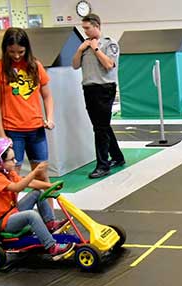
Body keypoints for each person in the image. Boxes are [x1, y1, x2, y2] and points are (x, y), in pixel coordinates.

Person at [0, 27, 54, 208]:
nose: (16, 56)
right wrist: (1, 136)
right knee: (12, 178)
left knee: (42, 175)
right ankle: (10, 218)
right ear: (5, 48)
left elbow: (47, 95)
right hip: (12, 132)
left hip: (36, 130)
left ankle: (50, 221)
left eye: (21, 52)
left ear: (27, 49)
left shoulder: (35, 65)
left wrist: (50, 117)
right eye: (12, 51)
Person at [0, 137, 74, 261]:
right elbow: (17, 187)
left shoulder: (9, 173)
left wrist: (49, 186)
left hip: (11, 212)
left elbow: (30, 183)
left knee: (37, 193)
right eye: (11, 159)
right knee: (31, 215)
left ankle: (50, 224)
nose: (15, 161)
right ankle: (52, 247)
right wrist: (34, 172)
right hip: (2, 223)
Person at [72, 13, 125, 179]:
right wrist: (81, 49)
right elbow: (75, 65)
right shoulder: (84, 45)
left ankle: (103, 165)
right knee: (101, 125)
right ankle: (117, 157)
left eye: (87, 28)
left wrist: (95, 48)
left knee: (100, 128)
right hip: (89, 89)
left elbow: (109, 65)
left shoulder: (109, 43)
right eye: (84, 28)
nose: (85, 31)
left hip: (104, 88)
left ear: (97, 26)